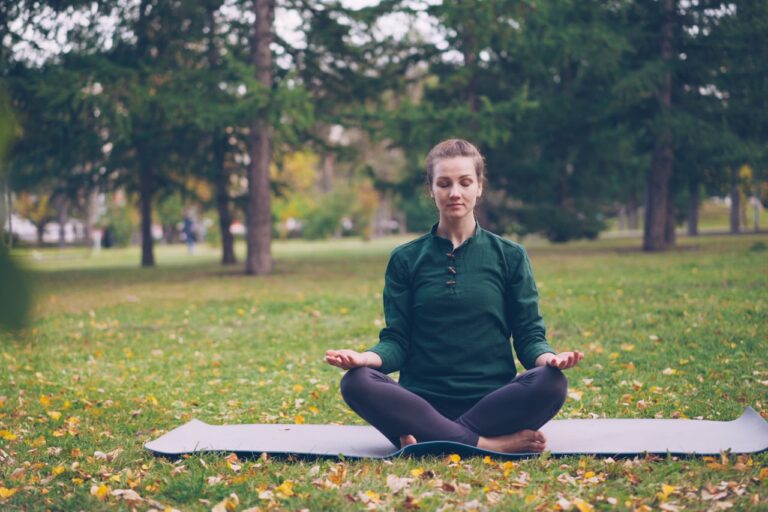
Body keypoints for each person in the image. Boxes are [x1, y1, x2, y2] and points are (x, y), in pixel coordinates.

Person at [325, 139, 584, 453]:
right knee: (356, 381)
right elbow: (396, 341)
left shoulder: (510, 256)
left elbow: (529, 336)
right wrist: (364, 359)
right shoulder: (406, 259)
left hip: (492, 406)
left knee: (552, 382)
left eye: (465, 182)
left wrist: (549, 359)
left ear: (479, 187)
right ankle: (489, 445)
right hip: (420, 406)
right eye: (444, 184)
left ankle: (435, 441)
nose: (455, 193)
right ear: (431, 190)